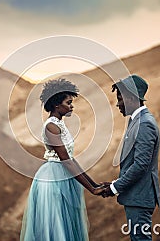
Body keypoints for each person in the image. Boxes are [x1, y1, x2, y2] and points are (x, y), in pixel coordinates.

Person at [20, 78, 105, 241]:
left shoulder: (59, 124)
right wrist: (92, 189)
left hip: (63, 176)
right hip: (52, 180)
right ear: (56, 105)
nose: (72, 106)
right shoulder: (51, 126)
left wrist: (94, 184)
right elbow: (66, 161)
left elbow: (71, 159)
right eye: (69, 102)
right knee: (56, 228)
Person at [101, 74, 160, 241]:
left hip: (139, 198)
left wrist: (114, 188)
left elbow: (140, 165)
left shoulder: (145, 123)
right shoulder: (136, 121)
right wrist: (114, 183)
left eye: (120, 98)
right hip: (136, 196)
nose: (117, 103)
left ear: (131, 98)